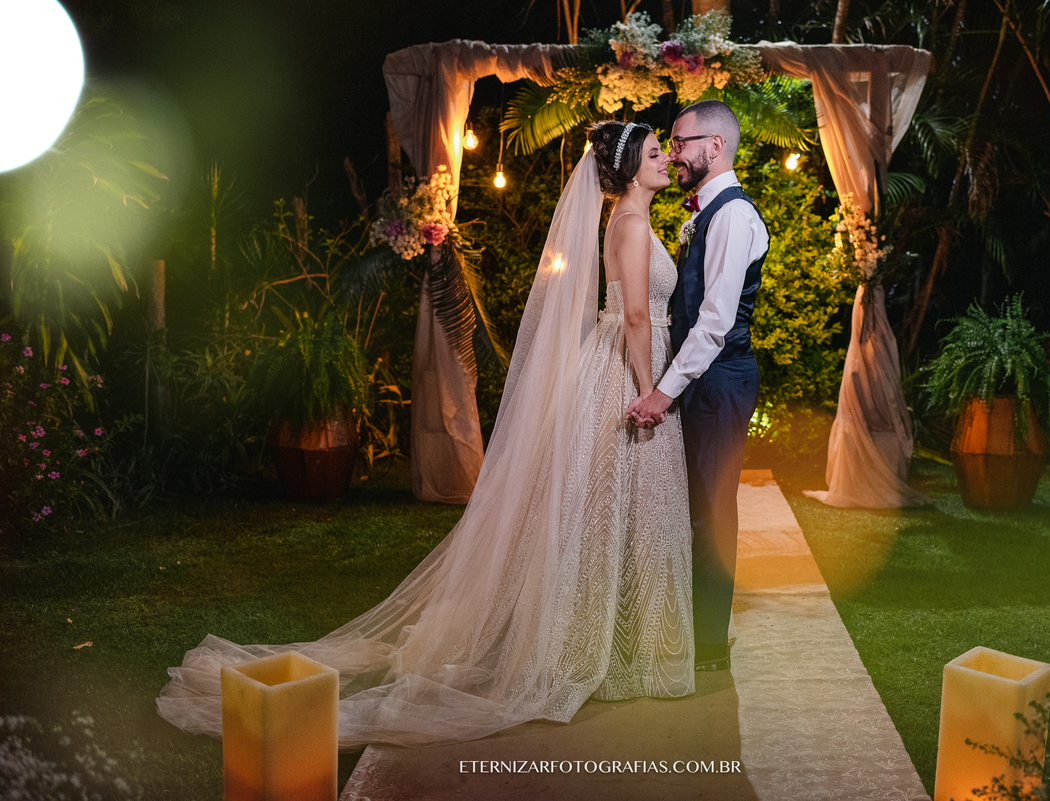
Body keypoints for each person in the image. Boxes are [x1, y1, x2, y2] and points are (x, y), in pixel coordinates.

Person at [156, 120, 694, 749]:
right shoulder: (629, 225)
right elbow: (632, 314)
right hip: (629, 374)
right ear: (629, 167)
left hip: (621, 368)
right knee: (615, 510)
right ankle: (605, 649)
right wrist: (650, 389)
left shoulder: (634, 222)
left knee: (615, 509)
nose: (666, 160)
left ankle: (611, 643)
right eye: (657, 153)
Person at [627, 100, 770, 673]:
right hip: (702, 381)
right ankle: (689, 627)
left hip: (720, 381)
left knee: (712, 511)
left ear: (714, 147)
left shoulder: (733, 216)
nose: (674, 152)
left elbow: (715, 320)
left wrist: (663, 391)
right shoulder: (704, 211)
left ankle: (710, 642)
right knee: (693, 508)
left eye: (681, 142)